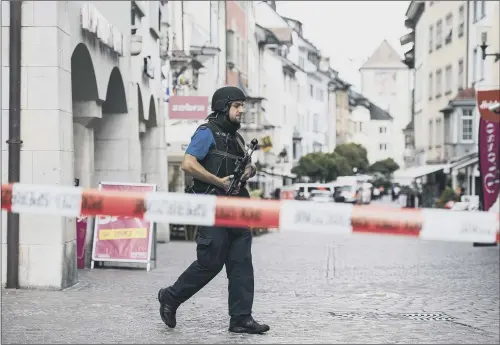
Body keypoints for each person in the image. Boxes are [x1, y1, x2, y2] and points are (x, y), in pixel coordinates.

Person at [157, 86, 270, 334]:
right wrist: (219, 181)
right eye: (237, 106)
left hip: (238, 207)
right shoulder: (206, 132)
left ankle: (241, 318)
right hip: (212, 206)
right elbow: (188, 163)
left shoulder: (238, 138)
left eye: (243, 106)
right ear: (223, 106)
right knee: (210, 262)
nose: (242, 110)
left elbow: (249, 167)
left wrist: (247, 171)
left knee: (241, 263)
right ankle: (170, 297)